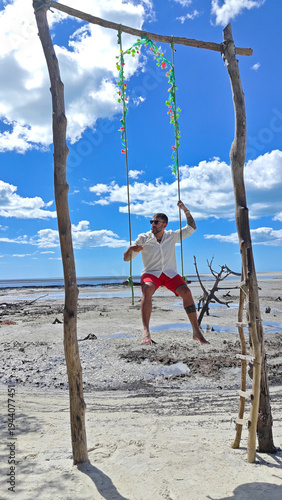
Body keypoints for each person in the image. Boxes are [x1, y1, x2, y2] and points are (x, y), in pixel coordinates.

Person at [123, 200, 209, 345]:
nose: (153, 224)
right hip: (151, 273)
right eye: (152, 221)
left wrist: (185, 209)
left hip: (170, 273)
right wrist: (131, 249)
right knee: (147, 288)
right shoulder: (143, 238)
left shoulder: (171, 236)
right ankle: (146, 331)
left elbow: (192, 227)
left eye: (156, 222)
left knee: (186, 292)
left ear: (164, 225)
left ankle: (196, 331)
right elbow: (126, 259)